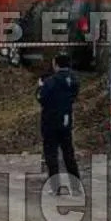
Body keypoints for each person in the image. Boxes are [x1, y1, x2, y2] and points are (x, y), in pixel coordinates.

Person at [37, 52, 81, 192]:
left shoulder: (51, 81)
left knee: (51, 154)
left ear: (56, 64)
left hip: (50, 120)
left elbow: (41, 98)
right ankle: (76, 185)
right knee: (68, 153)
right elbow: (74, 96)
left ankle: (55, 187)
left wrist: (39, 86)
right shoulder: (74, 79)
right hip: (66, 119)